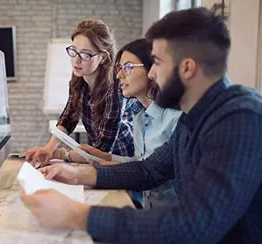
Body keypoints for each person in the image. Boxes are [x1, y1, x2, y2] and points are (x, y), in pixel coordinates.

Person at [21, 7, 262, 243]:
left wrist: (77, 215)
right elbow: (149, 170)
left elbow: (194, 225)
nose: (152, 74)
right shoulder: (194, 116)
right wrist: (75, 174)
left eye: (156, 62)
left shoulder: (240, 118)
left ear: (187, 68)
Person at [50, 38, 181, 208]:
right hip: (149, 211)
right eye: (119, 68)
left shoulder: (177, 120)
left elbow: (149, 172)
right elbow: (141, 163)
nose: (119, 75)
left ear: (153, 69)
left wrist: (80, 174)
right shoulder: (141, 118)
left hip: (174, 219)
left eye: (127, 67)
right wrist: (106, 157)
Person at [24, 19, 134, 165]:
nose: (76, 60)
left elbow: (101, 150)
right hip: (95, 160)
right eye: (74, 51)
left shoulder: (114, 90)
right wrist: (49, 148)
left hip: (120, 162)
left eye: (85, 55)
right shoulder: (79, 78)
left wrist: (61, 154)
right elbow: (69, 116)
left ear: (103, 57)